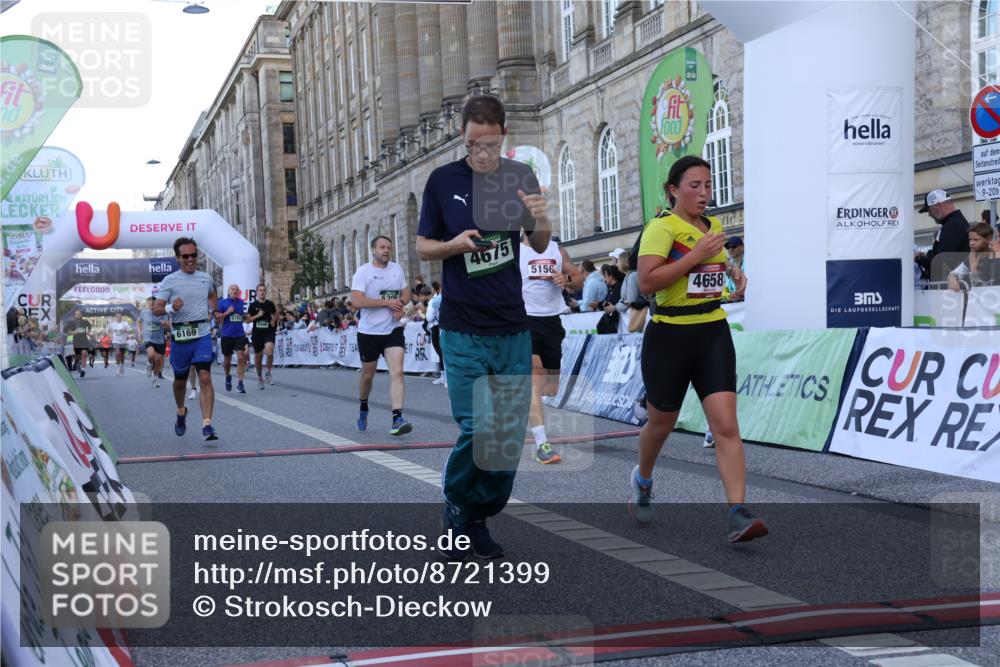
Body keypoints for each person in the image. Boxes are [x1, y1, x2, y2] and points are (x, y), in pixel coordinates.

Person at [416, 94, 551, 560]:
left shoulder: (519, 177)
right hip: (462, 326)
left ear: (503, 136)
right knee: (478, 427)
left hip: (511, 325)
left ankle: (478, 514)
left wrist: (541, 215)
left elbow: (538, 242)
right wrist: (453, 245)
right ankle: (456, 501)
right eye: (473, 142)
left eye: (489, 143)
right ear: (463, 136)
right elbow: (422, 247)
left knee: (507, 434)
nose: (481, 151)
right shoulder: (443, 181)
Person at [630, 155, 765, 543]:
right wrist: (696, 255)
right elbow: (647, 283)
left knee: (725, 425)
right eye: (695, 186)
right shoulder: (662, 227)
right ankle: (642, 479)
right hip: (669, 336)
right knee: (661, 424)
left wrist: (733, 272)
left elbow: (715, 263)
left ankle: (738, 513)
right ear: (674, 190)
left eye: (708, 185)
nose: (705, 193)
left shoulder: (713, 226)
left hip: (712, 330)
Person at [520, 232, 582, 464]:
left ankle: (525, 402)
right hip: (525, 319)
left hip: (552, 320)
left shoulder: (557, 250)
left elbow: (577, 278)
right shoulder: (516, 251)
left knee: (551, 387)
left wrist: (566, 281)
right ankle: (542, 443)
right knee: (535, 374)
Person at [153, 237, 219, 441]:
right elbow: (157, 309)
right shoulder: (169, 281)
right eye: (186, 256)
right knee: (180, 381)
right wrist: (173, 307)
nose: (191, 259)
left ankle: (207, 425)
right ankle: (181, 411)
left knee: (205, 376)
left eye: (193, 255)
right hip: (180, 336)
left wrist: (212, 309)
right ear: (178, 258)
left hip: (202, 333)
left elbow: (212, 295)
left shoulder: (205, 278)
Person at [351, 235, 413, 436]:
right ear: (373, 250)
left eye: (389, 247)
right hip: (369, 332)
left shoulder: (397, 269)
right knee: (368, 375)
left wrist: (400, 304)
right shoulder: (363, 272)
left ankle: (397, 418)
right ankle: (363, 405)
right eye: (382, 247)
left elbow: (406, 293)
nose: (386, 250)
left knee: (398, 371)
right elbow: (357, 301)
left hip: (392, 330)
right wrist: (386, 303)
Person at [915, 189, 970, 281]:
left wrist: (919, 258)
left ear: (938, 205)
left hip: (950, 289)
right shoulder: (954, 223)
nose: (929, 215)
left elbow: (941, 265)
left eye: (929, 210)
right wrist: (927, 257)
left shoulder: (952, 226)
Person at [216, 284, 249, 394]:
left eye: (237, 289)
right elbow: (218, 321)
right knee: (227, 361)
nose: (235, 291)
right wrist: (227, 312)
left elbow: (241, 317)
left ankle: (240, 383)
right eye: (233, 289)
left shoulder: (241, 302)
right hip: (227, 335)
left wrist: (246, 317)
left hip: (239, 334)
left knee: (241, 357)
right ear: (228, 291)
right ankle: (228, 376)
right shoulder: (222, 303)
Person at [948, 223, 1000, 291]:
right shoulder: (973, 256)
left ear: (988, 239)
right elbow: (956, 272)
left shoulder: (995, 256)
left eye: (976, 240)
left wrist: (973, 269)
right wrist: (952, 277)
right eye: (970, 239)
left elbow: (990, 286)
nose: (971, 243)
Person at [246, 284, 278, 389]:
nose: (262, 292)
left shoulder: (270, 304)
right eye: (260, 290)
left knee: (269, 352)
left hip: (269, 331)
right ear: (257, 292)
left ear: (266, 292)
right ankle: (260, 377)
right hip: (257, 334)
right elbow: (248, 320)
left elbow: (276, 313)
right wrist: (258, 315)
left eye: (264, 290)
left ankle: (268, 372)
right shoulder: (253, 305)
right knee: (258, 359)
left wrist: (274, 321)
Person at [139, 296, 169, 387]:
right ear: (147, 303)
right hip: (148, 338)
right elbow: (139, 321)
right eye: (150, 302)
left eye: (153, 302)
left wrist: (164, 323)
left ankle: (155, 379)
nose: (152, 304)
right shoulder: (143, 312)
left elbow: (167, 325)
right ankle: (149, 364)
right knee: (151, 355)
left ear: (156, 303)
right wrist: (140, 331)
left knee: (159, 360)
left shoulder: (163, 312)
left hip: (159, 340)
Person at [426, 286, 445, 386]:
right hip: (443, 326)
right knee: (442, 352)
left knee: (441, 352)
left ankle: (444, 376)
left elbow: (429, 317)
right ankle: (443, 376)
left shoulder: (435, 300)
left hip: (436, 326)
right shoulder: (443, 298)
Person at [65, 309, 92, 378]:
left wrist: (88, 331)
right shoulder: (71, 322)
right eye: (76, 314)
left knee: (84, 353)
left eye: (79, 313)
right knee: (77, 356)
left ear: (81, 315)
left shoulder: (84, 321)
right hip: (76, 341)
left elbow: (90, 326)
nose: (78, 315)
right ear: (74, 315)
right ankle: (77, 363)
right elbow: (66, 330)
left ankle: (83, 370)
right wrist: (73, 332)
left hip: (84, 340)